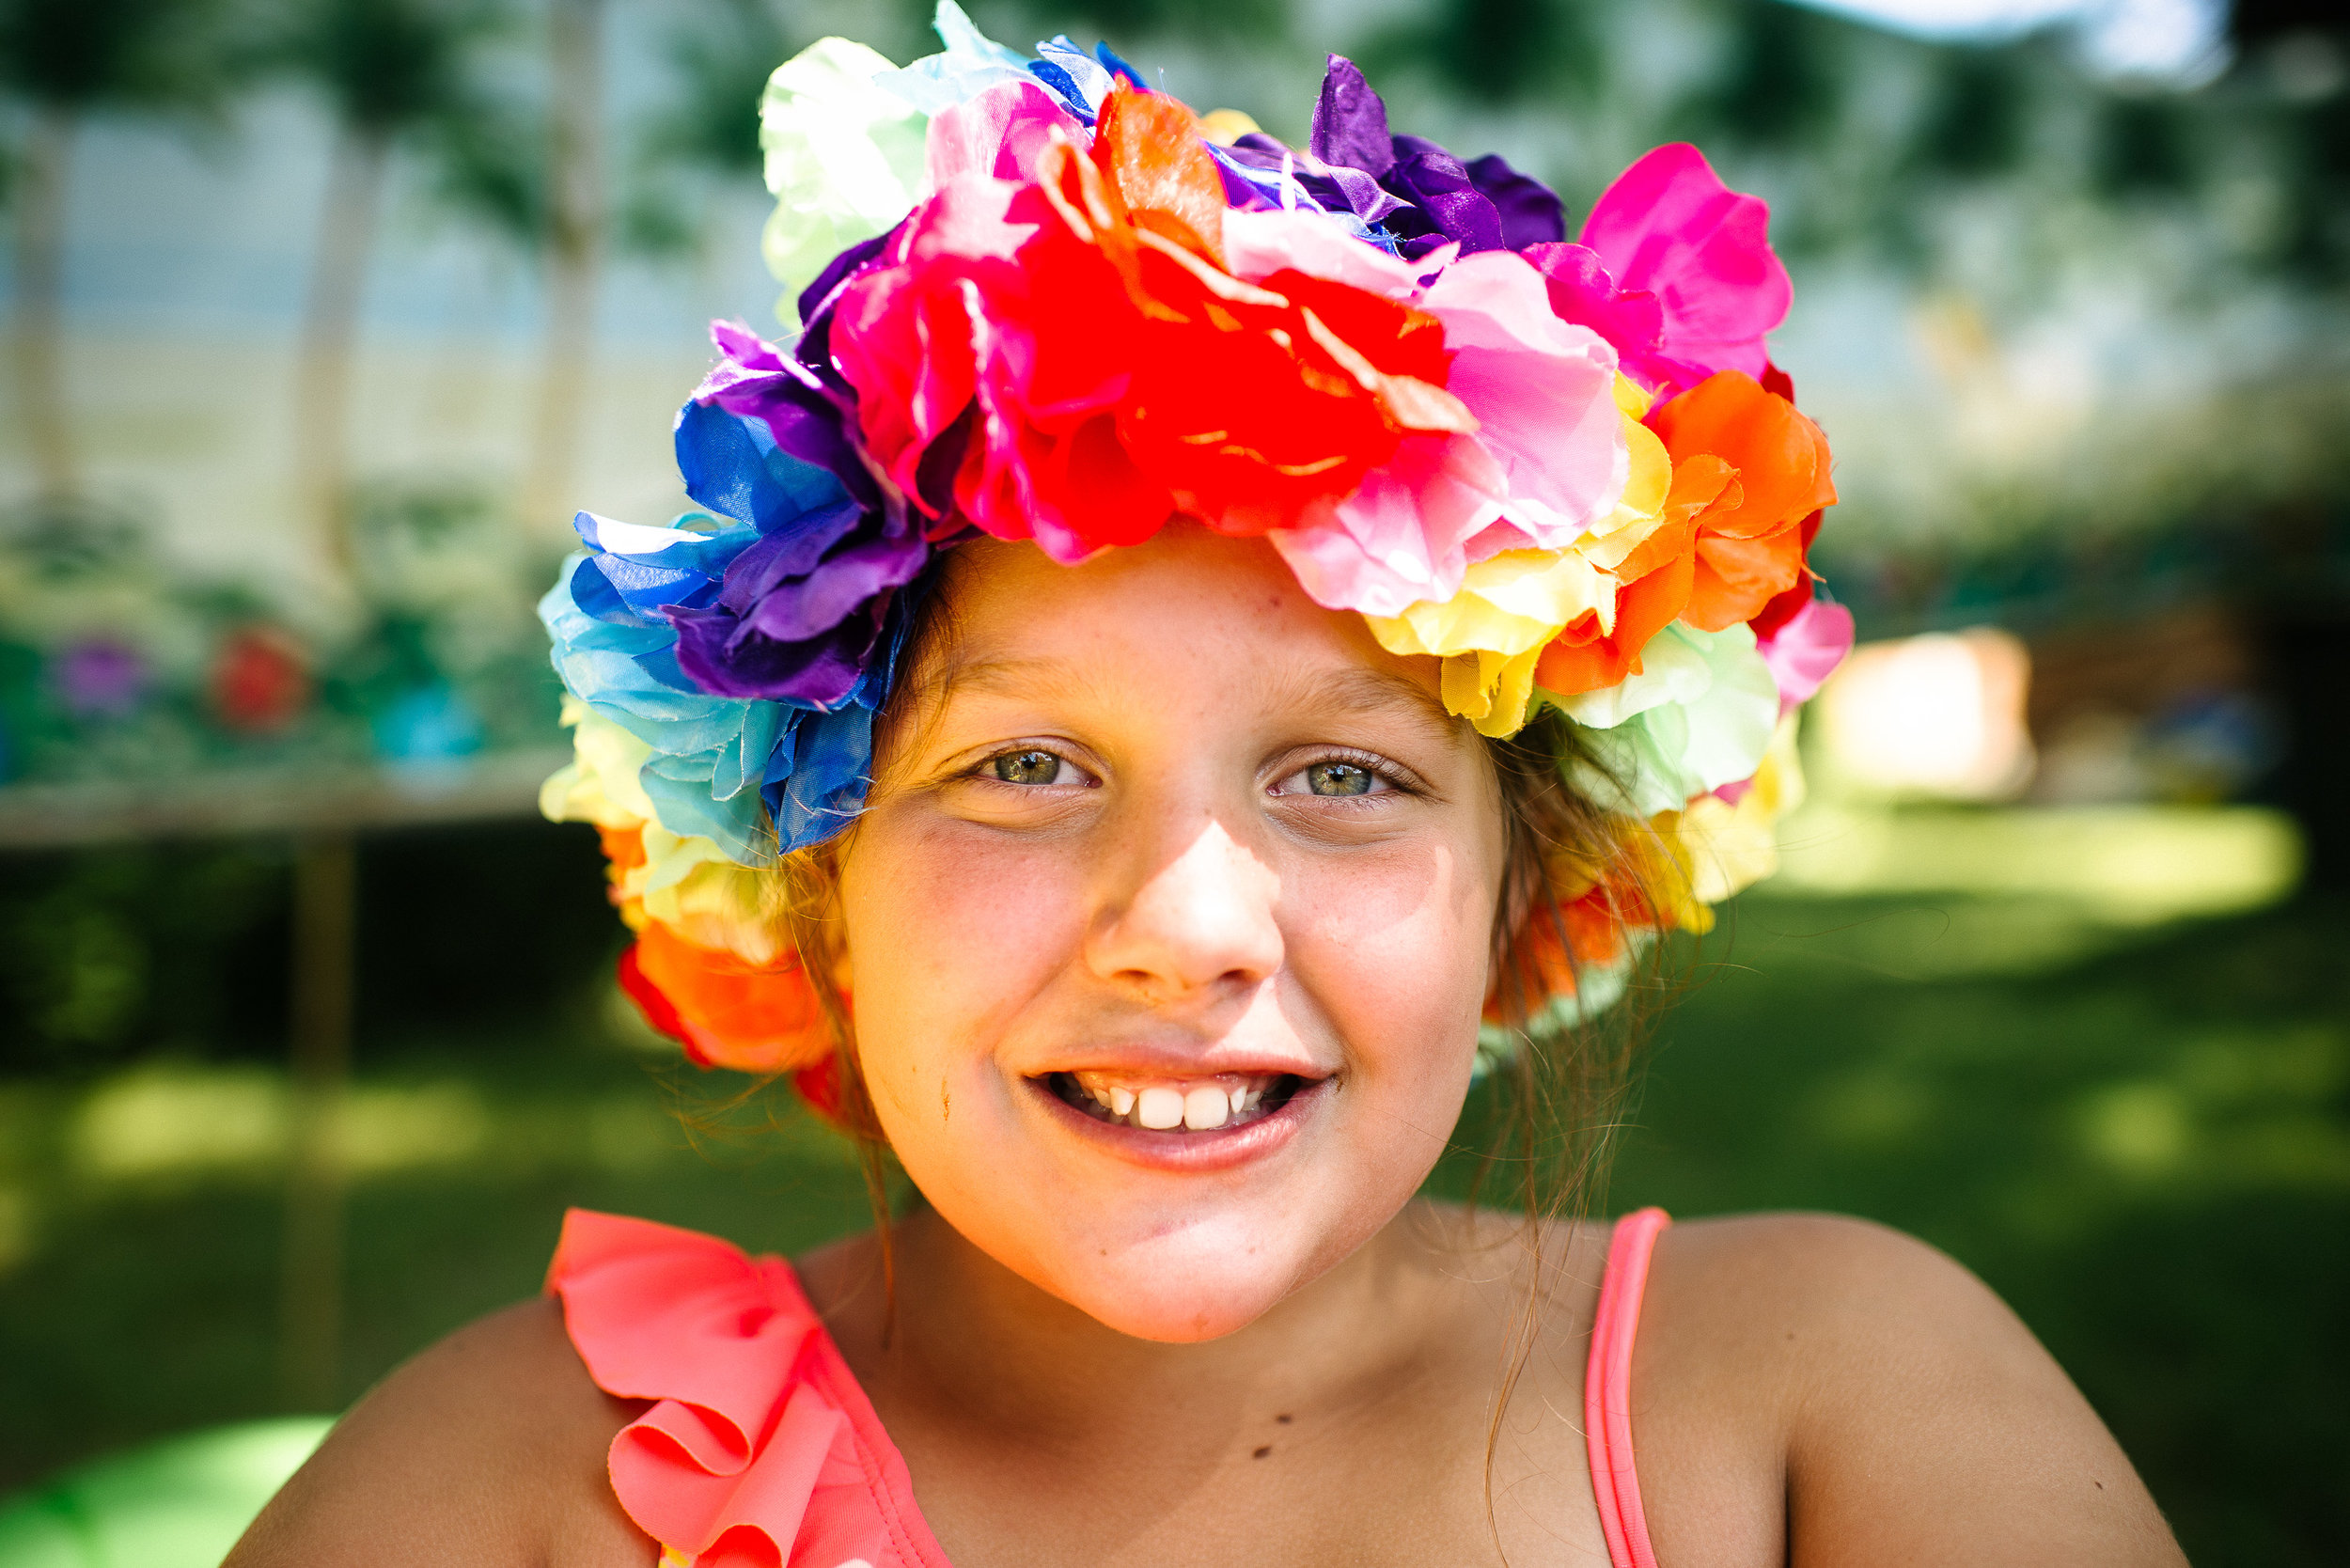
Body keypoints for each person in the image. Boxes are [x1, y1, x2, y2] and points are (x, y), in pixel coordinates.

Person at [228, 12, 2187, 1566]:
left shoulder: (1825, 1411)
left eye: (1341, 772)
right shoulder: (517, 1497)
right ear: (808, 869)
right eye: (1021, 766)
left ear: (1526, 885)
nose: (1183, 924)